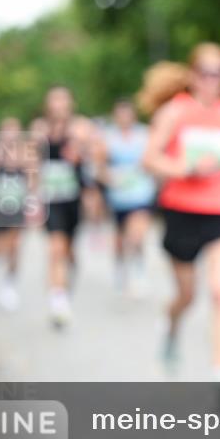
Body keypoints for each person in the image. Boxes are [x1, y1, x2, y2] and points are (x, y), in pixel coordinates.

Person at [141, 43, 220, 381]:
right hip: (182, 211)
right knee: (187, 296)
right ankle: (171, 327)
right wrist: (183, 168)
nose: (214, 80)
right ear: (193, 75)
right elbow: (150, 159)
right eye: (207, 73)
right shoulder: (174, 113)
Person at [32, 86, 89, 329]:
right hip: (50, 198)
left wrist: (81, 150)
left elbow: (95, 155)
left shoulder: (81, 127)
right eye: (54, 100)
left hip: (73, 199)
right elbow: (33, 166)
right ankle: (58, 302)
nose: (59, 105)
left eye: (63, 100)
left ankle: (66, 281)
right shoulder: (39, 129)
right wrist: (32, 200)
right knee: (55, 249)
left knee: (68, 251)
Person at [96, 99, 156, 296]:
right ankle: (120, 266)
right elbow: (99, 167)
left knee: (137, 234)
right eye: (120, 114)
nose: (124, 118)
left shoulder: (145, 134)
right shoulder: (107, 137)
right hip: (118, 197)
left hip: (141, 194)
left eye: (127, 114)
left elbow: (154, 160)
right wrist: (110, 178)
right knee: (120, 238)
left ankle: (138, 270)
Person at [0, 117, 38, 311]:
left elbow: (33, 178)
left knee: (15, 245)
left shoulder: (26, 155)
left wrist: (32, 200)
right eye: (7, 131)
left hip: (17, 206)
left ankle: (9, 284)